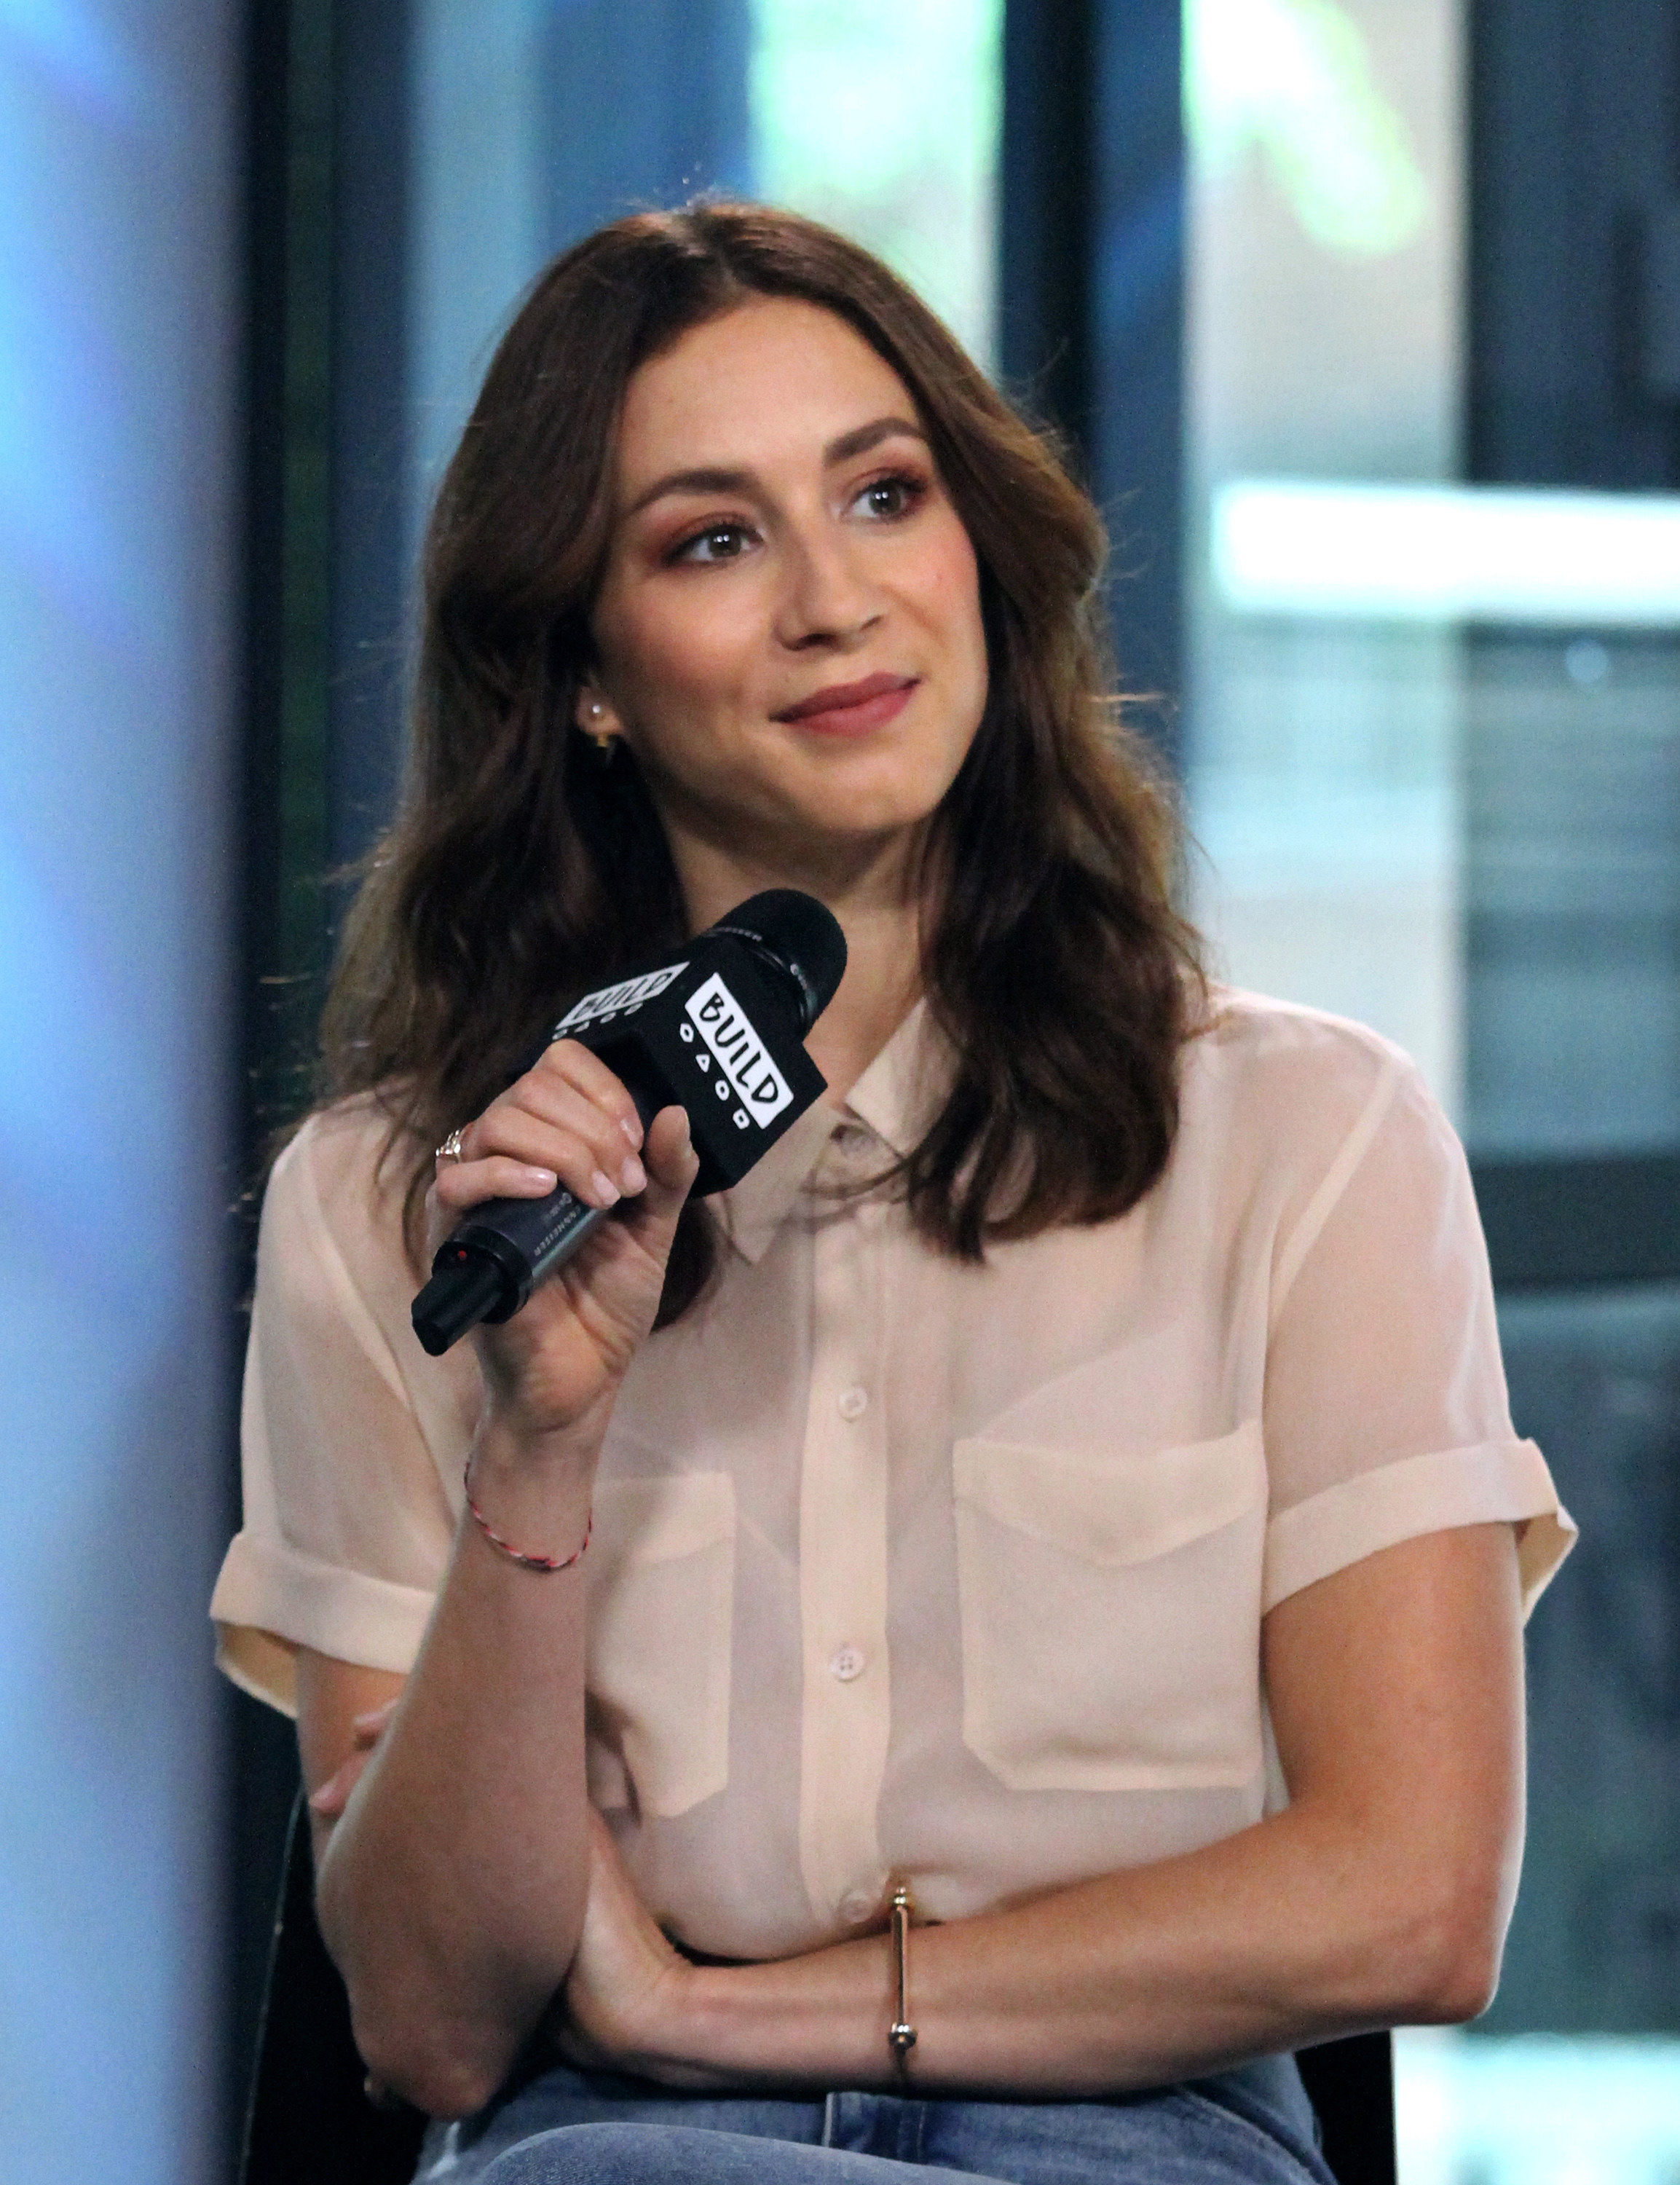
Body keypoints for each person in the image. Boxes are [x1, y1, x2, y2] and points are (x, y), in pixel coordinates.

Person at [211, 204, 1574, 2185]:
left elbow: (1411, 1903)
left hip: (1137, 2143)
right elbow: (426, 2023)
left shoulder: (1309, 1141)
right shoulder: (393, 1208)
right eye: (710, 539)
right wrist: (537, 1452)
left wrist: (708, 2010)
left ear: (978, 559)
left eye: (880, 493)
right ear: (583, 672)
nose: (833, 601)